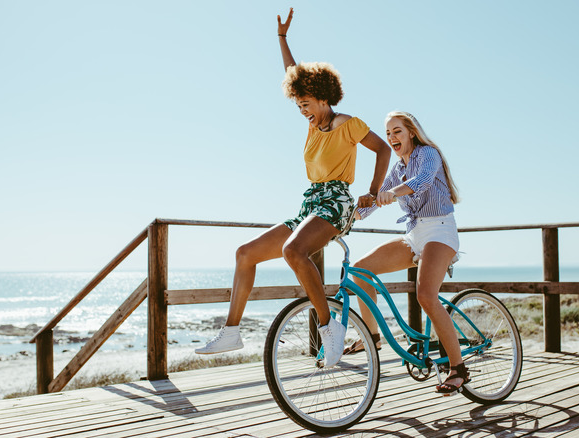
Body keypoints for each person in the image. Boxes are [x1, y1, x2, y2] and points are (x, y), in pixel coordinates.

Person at [195, 8, 391, 368]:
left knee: (293, 251)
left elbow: (383, 149)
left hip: (336, 202)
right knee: (245, 253)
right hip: (311, 203)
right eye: (299, 105)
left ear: (322, 97)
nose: (302, 111)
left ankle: (329, 328)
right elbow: (293, 74)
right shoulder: (314, 126)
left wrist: (374, 189)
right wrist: (282, 39)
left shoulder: (349, 123)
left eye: (306, 104)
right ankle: (232, 331)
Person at [347, 111, 468, 394]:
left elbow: (423, 181)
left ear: (411, 132)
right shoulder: (397, 168)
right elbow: (373, 203)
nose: (391, 138)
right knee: (361, 270)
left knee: (426, 295)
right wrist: (349, 219)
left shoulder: (429, 154)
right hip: (415, 234)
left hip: (440, 231)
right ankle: (372, 336)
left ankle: (458, 367)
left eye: (397, 131)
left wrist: (395, 192)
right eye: (388, 133)